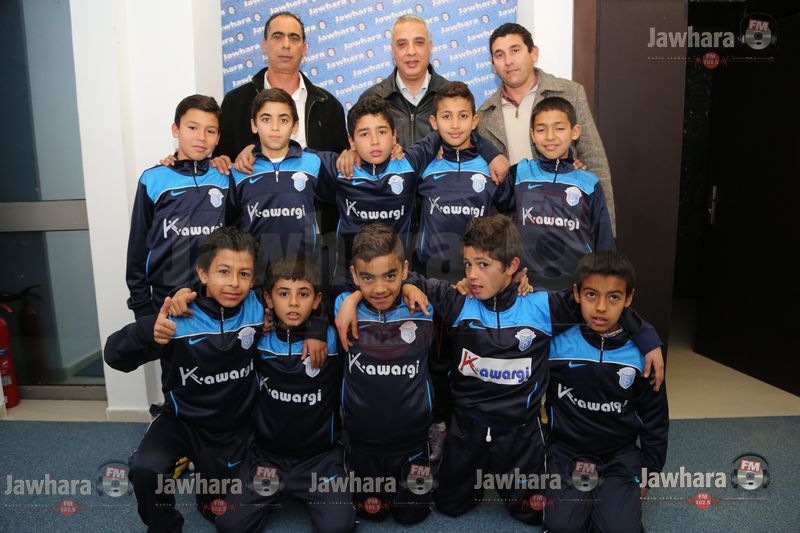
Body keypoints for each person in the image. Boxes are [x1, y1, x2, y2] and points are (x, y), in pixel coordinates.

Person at [358, 215, 663, 524]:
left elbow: (598, 302)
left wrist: (645, 334)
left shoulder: (542, 307)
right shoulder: (458, 301)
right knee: (449, 506)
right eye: (468, 264)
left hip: (520, 434)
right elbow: (399, 277)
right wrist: (407, 288)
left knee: (534, 514)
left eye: (483, 265)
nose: (472, 275)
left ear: (512, 266)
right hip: (467, 429)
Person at [105, 227, 263, 532]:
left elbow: (297, 298)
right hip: (182, 421)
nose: (234, 282)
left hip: (230, 429)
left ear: (253, 278)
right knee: (146, 468)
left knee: (217, 512)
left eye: (244, 274)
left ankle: (202, 475)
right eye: (223, 271)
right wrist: (146, 330)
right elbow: (114, 356)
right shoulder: (175, 317)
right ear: (202, 274)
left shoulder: (258, 308)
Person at [215, 256, 355, 533]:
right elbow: (223, 299)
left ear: (316, 301)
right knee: (229, 525)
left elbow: (354, 295)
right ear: (268, 299)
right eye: (283, 294)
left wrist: (317, 327)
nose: (292, 303)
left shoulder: (333, 337)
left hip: (319, 460)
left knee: (338, 528)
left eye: (303, 294)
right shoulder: (256, 336)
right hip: (268, 459)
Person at [315, 96, 504, 287]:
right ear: (351, 140)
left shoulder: (409, 163)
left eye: (382, 132)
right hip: (349, 282)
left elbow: (450, 130)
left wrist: (491, 153)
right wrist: (349, 152)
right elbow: (297, 155)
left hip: (399, 282)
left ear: (394, 135)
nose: (374, 141)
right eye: (364, 134)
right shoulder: (339, 169)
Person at [543, 252, 668, 533]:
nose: (601, 307)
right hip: (567, 453)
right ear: (576, 293)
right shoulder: (556, 343)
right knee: (561, 527)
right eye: (591, 294)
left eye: (613, 297)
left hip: (619, 456)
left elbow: (656, 418)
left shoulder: (644, 356)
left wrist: (649, 472)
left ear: (628, 299)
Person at [333, 224, 436, 524]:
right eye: (368, 278)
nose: (379, 289)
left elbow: (467, 290)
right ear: (354, 276)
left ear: (404, 269)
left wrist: (409, 286)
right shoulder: (342, 308)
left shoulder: (424, 306)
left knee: (411, 516)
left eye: (390, 276)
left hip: (413, 441)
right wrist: (352, 299)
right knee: (372, 513)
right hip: (363, 442)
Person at [477, 22, 618, 232]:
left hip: (567, 224)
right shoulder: (483, 115)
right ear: (493, 64)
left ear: (533, 53)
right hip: (512, 230)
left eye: (515, 50)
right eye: (499, 55)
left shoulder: (570, 93)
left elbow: (595, 160)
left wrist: (605, 231)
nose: (508, 61)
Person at [126, 94, 230, 320]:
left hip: (217, 298)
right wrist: (141, 305)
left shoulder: (226, 178)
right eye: (192, 127)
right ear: (176, 130)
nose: (201, 137)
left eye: (210, 131)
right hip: (165, 300)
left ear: (218, 138)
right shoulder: (153, 180)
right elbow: (138, 246)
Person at [501, 96, 614, 290]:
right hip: (525, 288)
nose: (550, 136)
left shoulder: (589, 183)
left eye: (559, 128)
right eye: (541, 130)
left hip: (574, 290)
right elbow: (494, 212)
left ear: (575, 132)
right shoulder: (519, 174)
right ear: (532, 135)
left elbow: (604, 242)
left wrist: (602, 287)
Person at [228, 88, 331, 275]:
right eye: (266, 119)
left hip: (303, 273)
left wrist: (352, 153)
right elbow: (229, 224)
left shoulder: (315, 163)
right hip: (256, 276)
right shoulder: (239, 171)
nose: (275, 127)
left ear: (295, 127)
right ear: (254, 125)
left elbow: (349, 176)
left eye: (283, 120)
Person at [358, 14, 449, 148]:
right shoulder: (372, 98)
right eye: (402, 44)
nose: (411, 51)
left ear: (430, 47)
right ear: (393, 50)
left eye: (419, 43)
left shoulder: (452, 96)